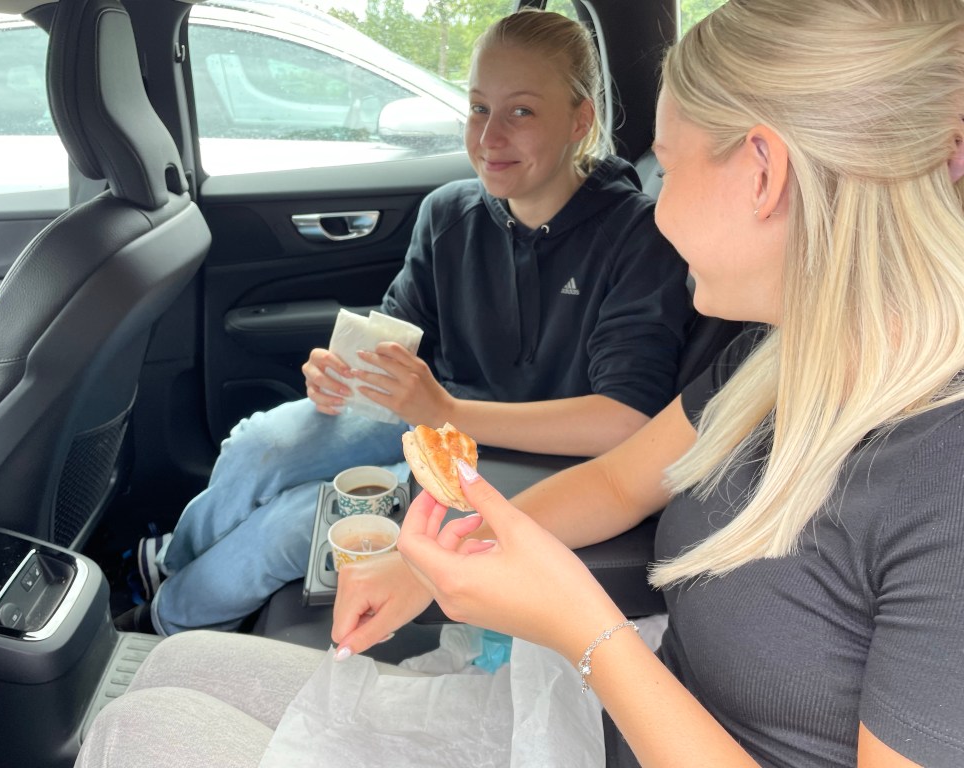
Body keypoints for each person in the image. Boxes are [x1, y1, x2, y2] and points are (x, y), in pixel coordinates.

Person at [77, 0, 964, 765]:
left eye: (669, 161)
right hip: (600, 715)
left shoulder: (941, 477)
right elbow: (620, 482)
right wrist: (422, 570)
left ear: (762, 174)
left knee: (140, 734)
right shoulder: (778, 360)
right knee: (168, 673)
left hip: (613, 697)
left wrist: (585, 629)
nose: (656, 201)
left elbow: (613, 449)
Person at [115, 8, 692, 636]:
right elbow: (397, 336)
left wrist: (446, 411)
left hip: (538, 459)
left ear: (580, 120)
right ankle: (170, 567)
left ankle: (163, 623)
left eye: (521, 111)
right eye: (478, 108)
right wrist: (342, 372)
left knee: (299, 522)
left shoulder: (636, 237)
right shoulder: (449, 214)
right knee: (258, 444)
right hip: (434, 416)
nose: (490, 136)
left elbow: (624, 421)